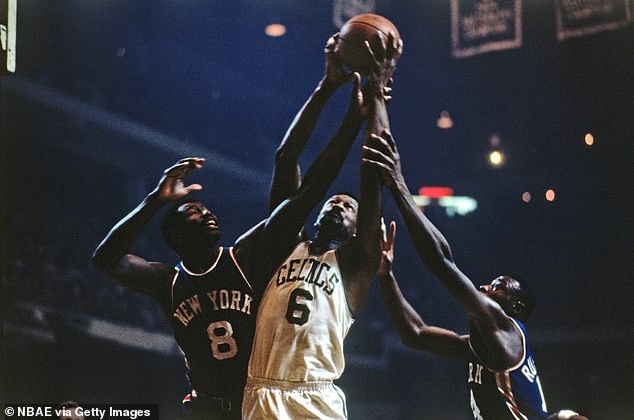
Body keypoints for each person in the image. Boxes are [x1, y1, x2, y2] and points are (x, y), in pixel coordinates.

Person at [92, 35, 371, 420]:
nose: (208, 213)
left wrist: (339, 105)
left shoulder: (246, 255)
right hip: (204, 408)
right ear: (173, 233)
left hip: (257, 404)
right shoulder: (168, 282)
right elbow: (105, 259)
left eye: (207, 209)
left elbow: (300, 181)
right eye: (193, 210)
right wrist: (154, 200)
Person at [242, 34, 403, 420]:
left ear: (360, 231)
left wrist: (377, 98)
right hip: (261, 392)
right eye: (333, 200)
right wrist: (327, 86)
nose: (337, 203)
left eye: (348, 206)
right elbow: (287, 158)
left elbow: (373, 175)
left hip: (315, 399)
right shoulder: (283, 244)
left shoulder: (355, 267)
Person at [362, 130, 548, 419]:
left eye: (499, 286)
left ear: (516, 307)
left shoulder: (505, 327)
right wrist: (386, 275)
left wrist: (398, 184)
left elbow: (440, 262)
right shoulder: (483, 346)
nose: (485, 285)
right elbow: (416, 334)